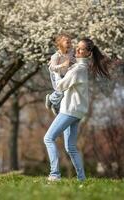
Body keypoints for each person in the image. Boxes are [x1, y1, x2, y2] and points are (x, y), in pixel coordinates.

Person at [43, 38, 111, 181]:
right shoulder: (77, 67)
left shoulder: (79, 69)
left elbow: (60, 86)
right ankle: (82, 179)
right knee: (71, 147)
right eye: (77, 48)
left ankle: (54, 175)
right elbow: (66, 78)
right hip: (76, 111)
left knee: (49, 138)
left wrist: (54, 69)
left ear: (88, 53)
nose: (78, 50)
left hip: (70, 110)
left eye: (82, 49)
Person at [45, 33, 76, 115]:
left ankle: (56, 105)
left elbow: (73, 60)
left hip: (65, 74)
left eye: (70, 42)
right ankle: (51, 99)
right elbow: (52, 68)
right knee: (60, 91)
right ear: (60, 44)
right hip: (57, 74)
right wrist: (62, 65)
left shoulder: (71, 53)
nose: (70, 44)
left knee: (66, 92)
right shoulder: (56, 56)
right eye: (67, 42)